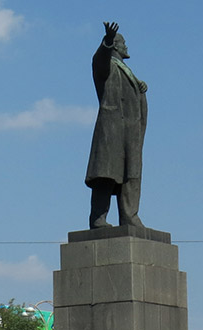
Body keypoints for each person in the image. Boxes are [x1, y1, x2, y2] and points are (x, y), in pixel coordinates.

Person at [86, 21, 148, 229]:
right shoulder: (106, 66)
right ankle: (98, 218)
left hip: (130, 132)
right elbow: (99, 61)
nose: (126, 46)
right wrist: (108, 41)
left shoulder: (127, 71)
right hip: (111, 130)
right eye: (122, 43)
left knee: (130, 175)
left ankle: (130, 216)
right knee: (106, 175)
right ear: (115, 46)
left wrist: (140, 89)